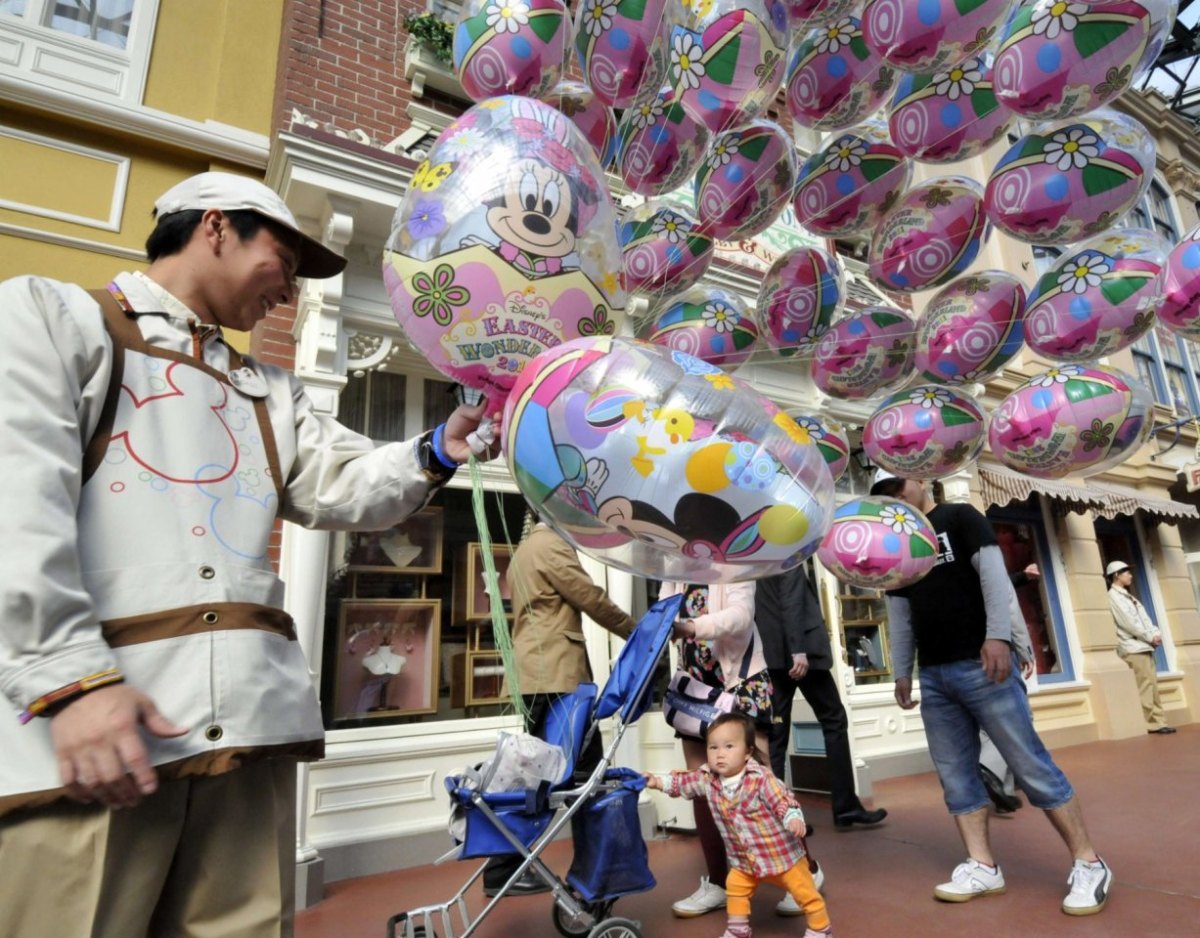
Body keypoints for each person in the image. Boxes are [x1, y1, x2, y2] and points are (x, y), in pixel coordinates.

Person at [0, 172, 497, 938]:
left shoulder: (270, 390)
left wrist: (437, 450)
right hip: (97, 736)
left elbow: (345, 486)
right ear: (215, 227)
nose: (291, 289)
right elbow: (14, 503)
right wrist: (69, 683)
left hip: (251, 737)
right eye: (284, 258)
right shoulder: (53, 316)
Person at [870, 469, 1113, 917]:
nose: (894, 501)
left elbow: (995, 581)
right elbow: (899, 613)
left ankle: (1090, 863)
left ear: (921, 482)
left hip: (983, 665)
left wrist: (999, 637)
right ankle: (983, 866)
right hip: (936, 676)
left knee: (1029, 764)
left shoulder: (960, 517)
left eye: (897, 490)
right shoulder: (896, 545)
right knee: (957, 777)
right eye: (885, 498)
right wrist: (902, 671)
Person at [481, 516, 637, 896]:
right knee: (585, 778)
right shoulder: (549, 544)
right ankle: (598, 872)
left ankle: (505, 865)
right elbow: (589, 596)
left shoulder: (526, 550)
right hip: (555, 676)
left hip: (537, 676)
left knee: (537, 773)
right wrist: (638, 632)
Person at [643, 711, 833, 938]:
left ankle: (820, 928)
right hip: (744, 861)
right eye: (713, 748)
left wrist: (792, 817)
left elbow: (782, 800)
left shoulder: (761, 778)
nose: (719, 754)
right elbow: (683, 782)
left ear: (747, 752)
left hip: (782, 858)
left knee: (805, 892)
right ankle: (738, 929)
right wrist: (658, 781)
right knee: (735, 889)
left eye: (729, 747)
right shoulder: (708, 778)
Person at [755, 565, 888, 832]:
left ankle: (778, 817)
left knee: (777, 736)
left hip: (772, 655)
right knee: (834, 720)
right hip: (800, 658)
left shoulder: (762, 556)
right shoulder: (787, 554)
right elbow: (791, 601)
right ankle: (845, 806)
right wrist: (798, 650)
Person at [1105, 560, 1175, 735]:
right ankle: (1151, 723)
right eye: (1126, 572)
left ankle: (1158, 720)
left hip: (1144, 646)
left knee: (1152, 685)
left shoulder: (1129, 596)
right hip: (1134, 648)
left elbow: (1144, 618)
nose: (1131, 575)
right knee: (1145, 686)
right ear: (1116, 575)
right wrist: (1150, 636)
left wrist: (1155, 633)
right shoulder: (1114, 597)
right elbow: (1129, 623)